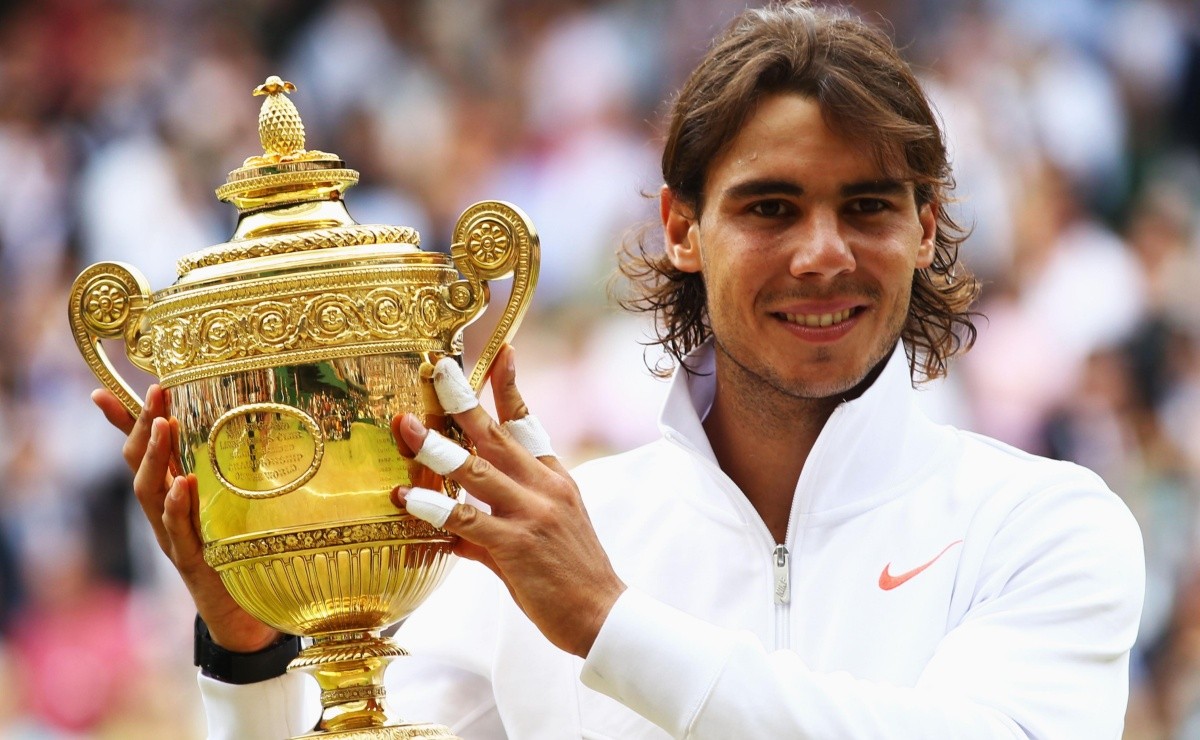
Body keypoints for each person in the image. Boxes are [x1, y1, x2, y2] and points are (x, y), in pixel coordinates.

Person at [93, 2, 1145, 738]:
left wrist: (611, 622)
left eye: (866, 205)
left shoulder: (1047, 521)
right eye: (770, 206)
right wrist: (252, 655)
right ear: (682, 227)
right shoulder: (543, 544)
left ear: (925, 228)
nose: (823, 251)